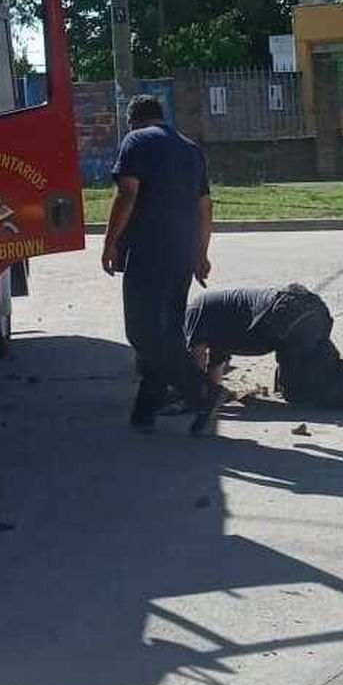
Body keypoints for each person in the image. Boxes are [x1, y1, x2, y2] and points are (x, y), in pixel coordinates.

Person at [101, 95, 222, 436]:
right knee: (167, 332)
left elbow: (127, 193)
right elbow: (205, 207)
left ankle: (201, 391)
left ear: (132, 121)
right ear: (162, 117)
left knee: (140, 332)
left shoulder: (135, 141)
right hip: (182, 255)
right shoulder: (189, 148)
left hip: (148, 253)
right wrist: (201, 254)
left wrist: (110, 242)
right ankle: (145, 412)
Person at [184, 283, 343, 413]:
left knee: (316, 387)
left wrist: (196, 400)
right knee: (302, 388)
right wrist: (215, 395)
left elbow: (196, 363)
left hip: (289, 314)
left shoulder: (195, 313)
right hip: (301, 309)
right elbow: (213, 371)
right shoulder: (216, 324)